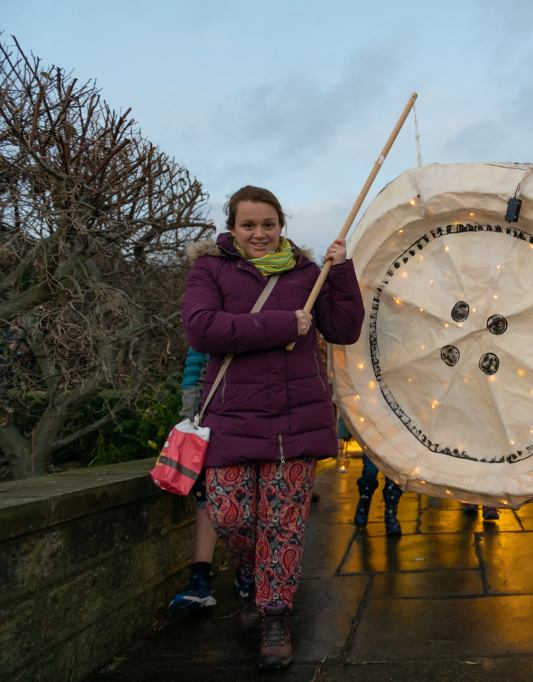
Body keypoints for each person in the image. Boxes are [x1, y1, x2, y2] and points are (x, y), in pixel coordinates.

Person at [181, 186, 364, 671]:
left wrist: (341, 271)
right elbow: (202, 329)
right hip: (231, 418)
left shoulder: (307, 273)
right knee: (229, 515)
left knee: (284, 525)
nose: (259, 234)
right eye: (249, 225)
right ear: (232, 228)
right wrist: (285, 325)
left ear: (281, 225)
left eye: (268, 224)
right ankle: (253, 578)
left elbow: (344, 329)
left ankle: (275, 616)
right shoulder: (210, 270)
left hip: (294, 419)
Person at [167, 346, 220, 614]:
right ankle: (200, 579)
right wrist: (190, 412)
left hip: (242, 407)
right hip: (207, 406)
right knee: (206, 495)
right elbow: (197, 357)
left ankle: (246, 571)